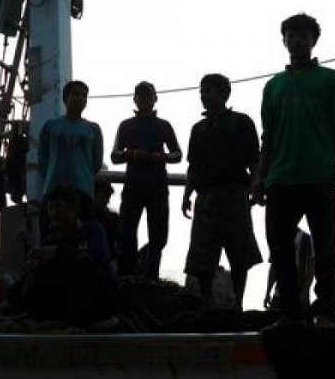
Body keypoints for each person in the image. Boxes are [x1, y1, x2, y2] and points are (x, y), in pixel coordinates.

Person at [252, 13, 335, 329]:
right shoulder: (273, 86)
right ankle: (291, 314)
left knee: (325, 248)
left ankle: (324, 311)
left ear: (313, 40)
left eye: (303, 34)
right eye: (291, 34)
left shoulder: (331, 79)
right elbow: (267, 137)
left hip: (319, 176)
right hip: (280, 178)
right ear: (284, 40)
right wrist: (259, 176)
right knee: (279, 249)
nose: (296, 39)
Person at [181, 73, 263, 310]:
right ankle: (207, 301)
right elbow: (193, 165)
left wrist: (257, 184)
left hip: (235, 192)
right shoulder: (199, 129)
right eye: (202, 91)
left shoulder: (241, 122)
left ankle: (238, 301)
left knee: (240, 251)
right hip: (206, 194)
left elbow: (253, 159)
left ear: (224, 93)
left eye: (209, 91)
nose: (204, 96)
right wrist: (187, 193)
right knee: (201, 251)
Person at [110, 81, 182, 280]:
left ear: (154, 98)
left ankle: (151, 275)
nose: (144, 99)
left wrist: (162, 157)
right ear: (135, 99)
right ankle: (127, 275)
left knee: (159, 235)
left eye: (148, 96)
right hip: (133, 185)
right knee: (127, 232)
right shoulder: (126, 126)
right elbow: (115, 155)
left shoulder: (163, 126)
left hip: (157, 185)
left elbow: (177, 154)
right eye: (140, 96)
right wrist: (131, 154)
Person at [17, 185, 116, 328]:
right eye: (51, 208)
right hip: (63, 305)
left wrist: (58, 252)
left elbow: (95, 258)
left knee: (83, 265)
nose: (54, 213)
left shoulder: (93, 231)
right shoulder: (50, 240)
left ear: (74, 209)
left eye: (58, 207)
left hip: (97, 303)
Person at [37, 80, 104, 207]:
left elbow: (96, 163)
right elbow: (42, 159)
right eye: (76, 94)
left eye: (84, 95)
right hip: (53, 189)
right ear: (65, 97)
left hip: (83, 191)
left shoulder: (93, 129)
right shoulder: (50, 126)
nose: (80, 98)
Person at [264, 227, 315, 312]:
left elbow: (311, 269)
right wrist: (268, 291)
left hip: (299, 292)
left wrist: (305, 290)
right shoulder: (278, 239)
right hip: (280, 293)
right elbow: (273, 268)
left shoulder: (306, 239)